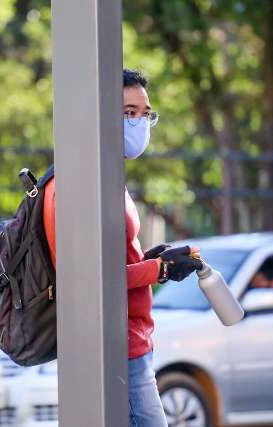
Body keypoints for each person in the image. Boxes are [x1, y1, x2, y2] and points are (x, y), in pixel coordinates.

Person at [42, 69, 202, 427]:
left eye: (145, 114)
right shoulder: (82, 183)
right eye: (128, 112)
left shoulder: (105, 176)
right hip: (120, 346)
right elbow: (91, 276)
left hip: (130, 341)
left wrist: (149, 260)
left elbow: (111, 263)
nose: (139, 123)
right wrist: (159, 270)